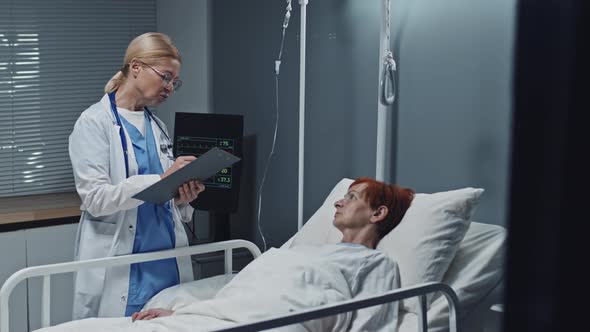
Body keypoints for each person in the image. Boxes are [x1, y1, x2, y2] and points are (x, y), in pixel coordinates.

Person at [36, 177, 415, 332]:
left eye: (351, 198)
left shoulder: (377, 264)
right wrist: (186, 311)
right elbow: (243, 293)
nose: (338, 201)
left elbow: (371, 323)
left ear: (378, 213)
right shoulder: (303, 251)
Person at [68, 32, 205, 320]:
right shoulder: (94, 123)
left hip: (164, 260)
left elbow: (166, 200)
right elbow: (95, 199)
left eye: (174, 82)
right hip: (122, 267)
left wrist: (183, 199)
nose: (169, 88)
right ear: (136, 67)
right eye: (165, 77)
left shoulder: (157, 126)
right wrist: (161, 179)